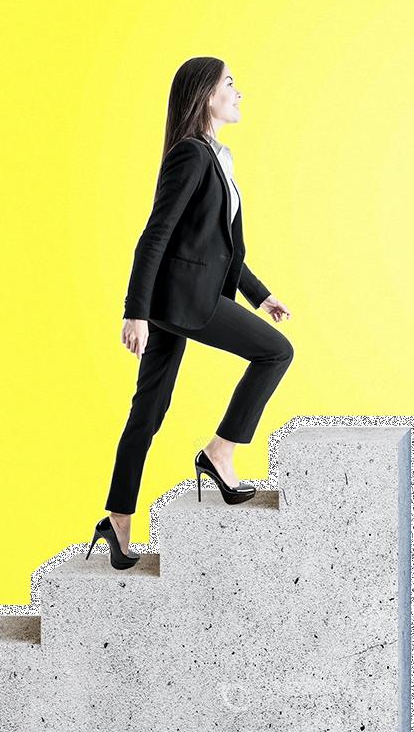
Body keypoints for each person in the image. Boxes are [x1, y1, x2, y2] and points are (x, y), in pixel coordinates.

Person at [86, 56, 294, 569]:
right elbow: (155, 234)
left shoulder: (215, 156)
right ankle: (219, 453)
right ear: (205, 95)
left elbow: (214, 246)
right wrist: (134, 311)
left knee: (147, 412)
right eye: (230, 83)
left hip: (182, 297)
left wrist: (260, 295)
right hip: (182, 303)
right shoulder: (192, 155)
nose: (239, 92)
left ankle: (116, 523)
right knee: (275, 353)